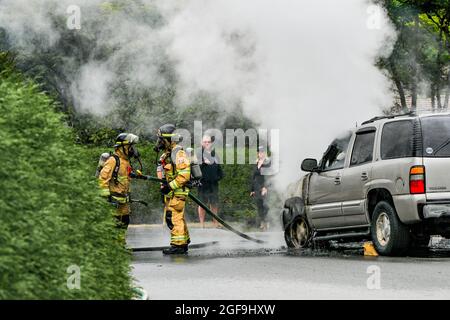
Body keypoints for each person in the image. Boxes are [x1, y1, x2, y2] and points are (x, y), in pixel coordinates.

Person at [154, 124, 192, 255]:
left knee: (173, 218)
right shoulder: (169, 153)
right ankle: (183, 242)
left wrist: (170, 186)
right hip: (173, 192)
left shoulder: (178, 153)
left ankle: (178, 245)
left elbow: (184, 175)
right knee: (177, 217)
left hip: (178, 191)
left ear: (170, 140)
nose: (159, 142)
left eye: (162, 139)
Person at [98, 133, 140, 230]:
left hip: (123, 204)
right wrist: (106, 199)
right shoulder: (113, 160)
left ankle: (121, 245)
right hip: (114, 204)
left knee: (124, 224)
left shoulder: (126, 162)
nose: (132, 150)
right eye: (130, 147)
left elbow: (125, 180)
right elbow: (103, 179)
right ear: (122, 147)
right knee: (113, 227)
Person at [196, 135, 224, 228]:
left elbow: (218, 167)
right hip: (203, 182)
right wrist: (204, 162)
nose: (207, 143)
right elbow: (194, 166)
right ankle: (202, 224)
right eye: (205, 142)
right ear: (202, 143)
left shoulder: (215, 154)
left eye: (208, 142)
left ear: (211, 143)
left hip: (213, 183)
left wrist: (219, 176)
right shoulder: (199, 153)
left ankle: (215, 223)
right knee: (202, 204)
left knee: (214, 203)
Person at [250, 146, 271, 231]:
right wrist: (252, 190)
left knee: (265, 206)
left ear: (265, 153)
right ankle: (262, 223)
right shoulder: (256, 163)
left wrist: (265, 188)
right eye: (259, 152)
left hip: (264, 188)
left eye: (262, 152)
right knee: (259, 206)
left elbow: (268, 177)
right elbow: (253, 177)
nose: (261, 153)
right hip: (256, 188)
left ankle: (267, 222)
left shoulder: (267, 163)